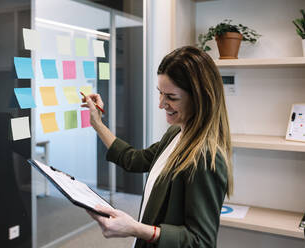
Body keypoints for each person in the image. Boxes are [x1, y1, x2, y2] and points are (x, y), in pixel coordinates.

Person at [82, 46, 233, 247]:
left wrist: (135, 228)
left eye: (171, 97)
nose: (161, 104)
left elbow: (201, 242)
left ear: (199, 98)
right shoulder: (177, 133)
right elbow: (133, 159)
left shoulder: (205, 157)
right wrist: (98, 124)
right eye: (160, 93)